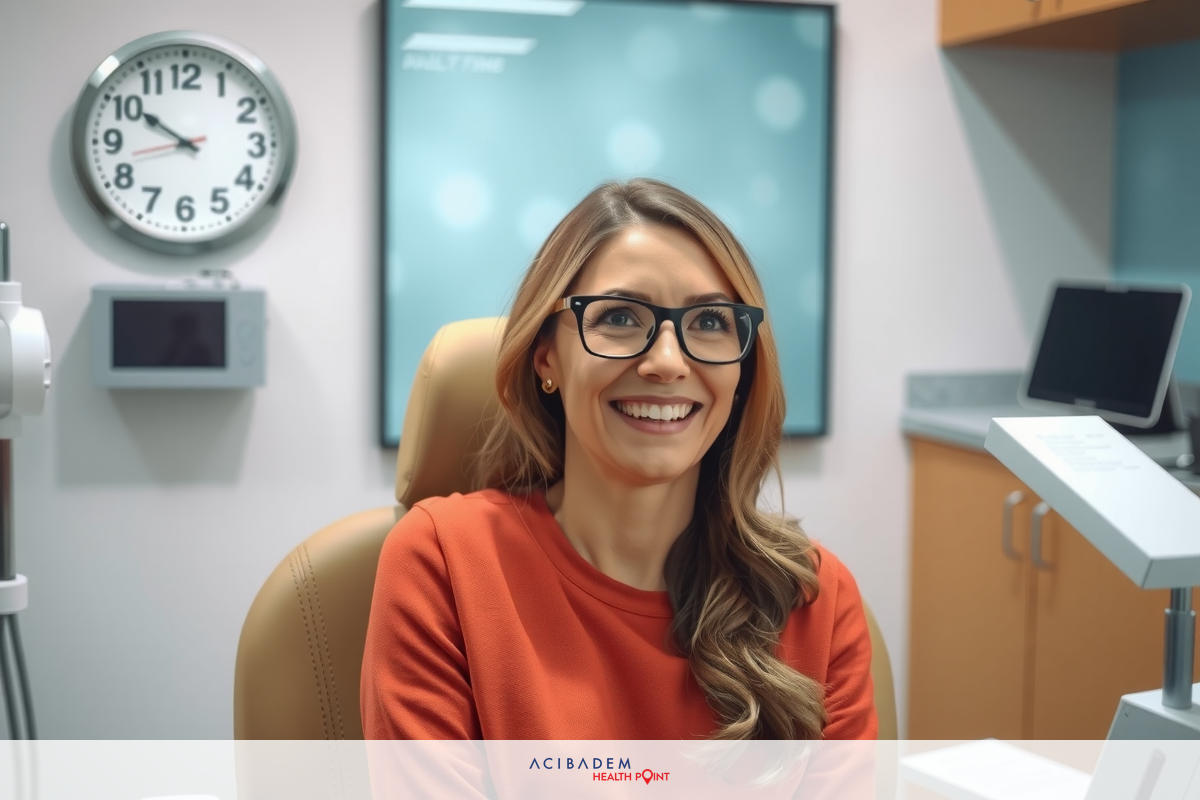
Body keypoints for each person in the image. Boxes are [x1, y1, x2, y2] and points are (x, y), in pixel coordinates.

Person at [361, 178, 877, 741]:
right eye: (620, 318)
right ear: (546, 358)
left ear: (742, 371)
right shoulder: (443, 562)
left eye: (709, 323)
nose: (666, 362)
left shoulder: (814, 600)